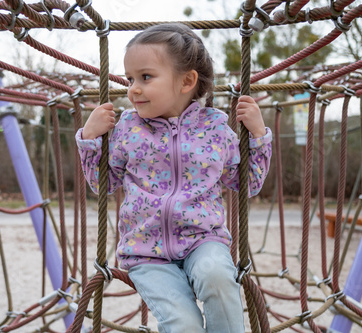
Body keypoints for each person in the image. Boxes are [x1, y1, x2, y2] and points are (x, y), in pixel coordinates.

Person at [75, 23, 272, 333]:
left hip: (203, 241)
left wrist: (259, 135)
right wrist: (89, 138)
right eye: (130, 79)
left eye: (145, 77)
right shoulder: (128, 127)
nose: (133, 88)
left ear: (187, 81)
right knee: (183, 324)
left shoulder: (216, 127)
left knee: (218, 277)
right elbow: (105, 183)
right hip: (146, 252)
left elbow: (247, 184)